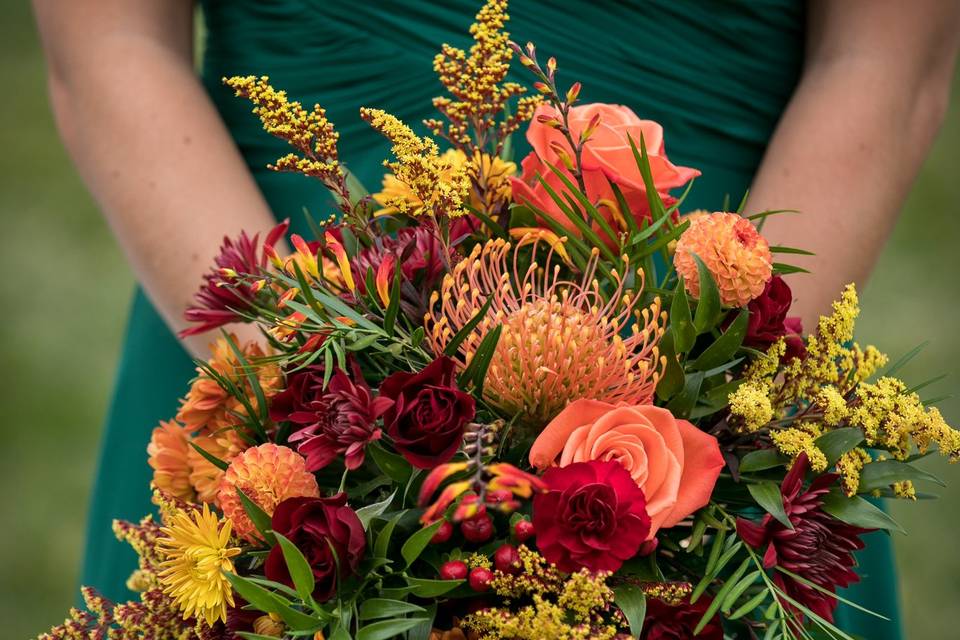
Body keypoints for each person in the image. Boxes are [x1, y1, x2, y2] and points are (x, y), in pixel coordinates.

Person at [32, 1, 960, 637]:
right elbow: (107, 41)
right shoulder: (287, 396)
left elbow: (884, 59)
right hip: (263, 318)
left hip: (713, 370)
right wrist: (310, 426)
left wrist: (706, 402)